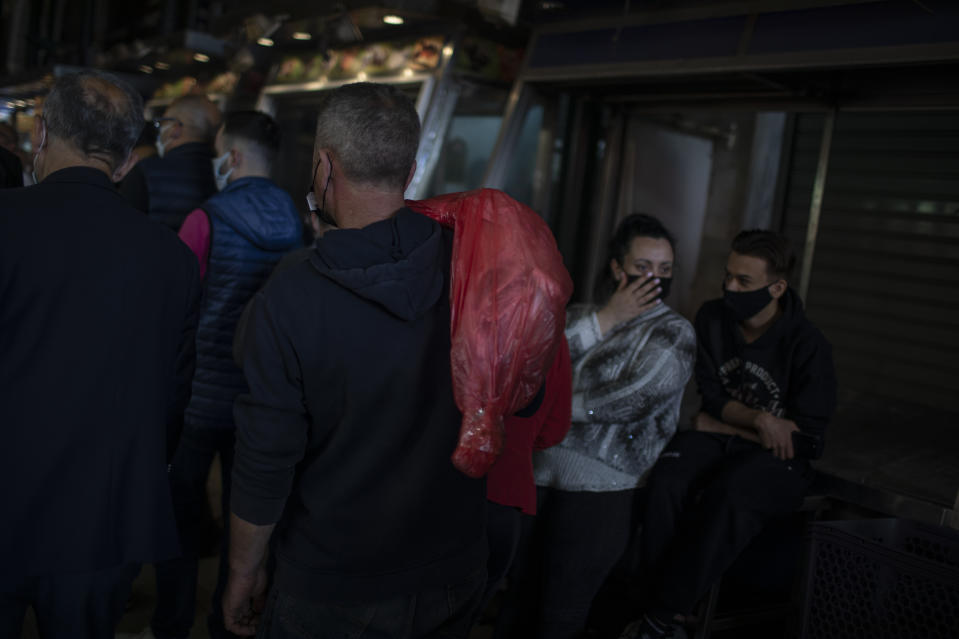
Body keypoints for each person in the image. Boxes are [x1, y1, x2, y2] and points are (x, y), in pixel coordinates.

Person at [223, 82, 488, 638]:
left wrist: (243, 572)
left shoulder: (291, 295)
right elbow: (519, 395)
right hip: (454, 570)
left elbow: (264, 462)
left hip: (329, 586)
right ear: (411, 171)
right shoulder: (473, 266)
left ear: (324, 165)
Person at [0, 71, 199, 639]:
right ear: (127, 161)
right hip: (106, 520)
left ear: (40, 135)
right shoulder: (173, 259)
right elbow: (172, 399)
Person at [622, 230, 837, 639]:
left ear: (776, 288)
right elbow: (712, 399)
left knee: (732, 493)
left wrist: (729, 423)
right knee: (666, 477)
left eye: (744, 282)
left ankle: (662, 617)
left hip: (778, 462)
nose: (730, 287)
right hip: (727, 438)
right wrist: (760, 421)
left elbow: (805, 441)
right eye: (728, 276)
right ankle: (650, 599)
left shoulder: (809, 347)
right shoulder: (712, 318)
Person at [498, 214, 696, 639]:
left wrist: (553, 411)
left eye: (664, 270)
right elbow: (533, 367)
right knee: (514, 605)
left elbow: (636, 396)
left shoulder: (674, 332)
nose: (654, 279)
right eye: (644, 267)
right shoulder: (582, 315)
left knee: (561, 614)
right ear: (617, 267)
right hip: (536, 478)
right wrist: (606, 318)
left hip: (604, 492)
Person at [144, 111, 302, 639]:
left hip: (197, 399)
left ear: (231, 158)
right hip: (261, 396)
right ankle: (228, 624)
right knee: (248, 516)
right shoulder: (295, 220)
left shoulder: (205, 218)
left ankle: (170, 624)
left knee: (178, 517)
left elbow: (177, 310)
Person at [480, 335, 572, 616]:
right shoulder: (551, 334)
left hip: (430, 485)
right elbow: (554, 429)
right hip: (503, 491)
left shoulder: (454, 307)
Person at [120, 94, 220, 230]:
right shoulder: (223, 175)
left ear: (175, 128)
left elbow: (124, 227)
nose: (161, 130)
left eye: (163, 123)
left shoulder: (145, 171)